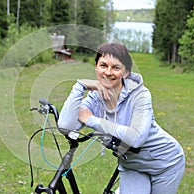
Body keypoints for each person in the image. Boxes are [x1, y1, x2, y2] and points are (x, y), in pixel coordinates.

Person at [57, 43, 185, 194]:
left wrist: (92, 120)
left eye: (116, 68)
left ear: (126, 73)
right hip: (132, 166)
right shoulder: (95, 98)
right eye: (103, 65)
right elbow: (65, 126)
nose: (108, 72)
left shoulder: (140, 95)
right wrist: (80, 86)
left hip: (165, 163)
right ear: (96, 67)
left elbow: (136, 138)